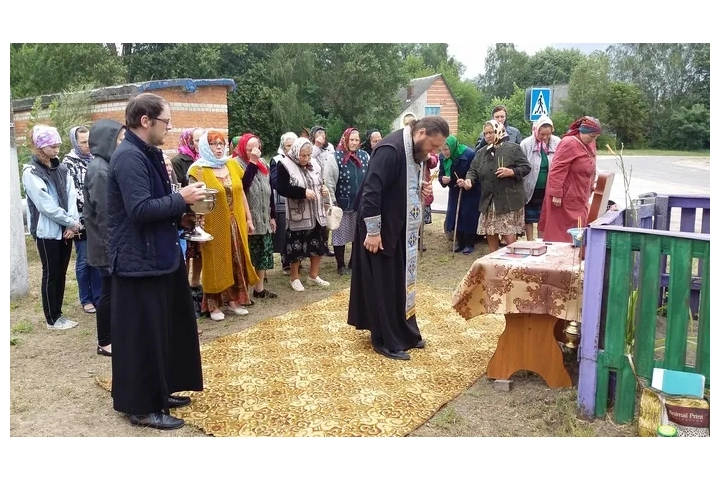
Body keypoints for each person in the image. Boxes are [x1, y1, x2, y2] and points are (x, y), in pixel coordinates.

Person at [107, 92, 206, 430]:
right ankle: (142, 406)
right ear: (145, 121)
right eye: (165, 121)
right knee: (143, 336)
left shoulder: (147, 153)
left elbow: (156, 205)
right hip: (138, 262)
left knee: (163, 330)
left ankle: (159, 392)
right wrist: (181, 199)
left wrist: (182, 217)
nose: (169, 128)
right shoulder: (129, 158)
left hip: (157, 255)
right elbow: (139, 210)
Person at [347, 116, 449, 361]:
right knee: (384, 285)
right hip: (379, 230)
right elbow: (372, 190)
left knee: (399, 283)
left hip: (400, 227)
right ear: (421, 132)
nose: (434, 152)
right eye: (433, 146)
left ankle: (405, 332)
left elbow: (402, 185)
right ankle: (384, 339)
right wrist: (372, 232)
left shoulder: (413, 150)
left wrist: (419, 190)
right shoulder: (390, 149)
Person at [188, 131, 259, 320]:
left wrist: (249, 219)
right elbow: (194, 201)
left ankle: (234, 300)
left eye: (221, 144)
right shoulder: (198, 170)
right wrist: (198, 226)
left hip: (236, 224)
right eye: (214, 144)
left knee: (236, 259)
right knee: (216, 262)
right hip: (213, 224)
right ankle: (213, 304)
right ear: (205, 146)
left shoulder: (232, 164)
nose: (219, 148)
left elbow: (241, 192)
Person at [22, 125, 82, 330]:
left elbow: (72, 195)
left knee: (62, 272)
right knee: (51, 273)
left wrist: (72, 225)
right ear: (40, 147)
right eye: (52, 146)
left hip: (67, 228)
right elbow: (45, 205)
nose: (57, 150)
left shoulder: (62, 168)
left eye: (58, 145)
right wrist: (69, 222)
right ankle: (52, 318)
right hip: (46, 231)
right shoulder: (31, 172)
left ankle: (59, 313)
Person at [84, 119, 126, 356]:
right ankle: (105, 341)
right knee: (108, 293)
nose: (122, 144)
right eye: (119, 139)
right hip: (105, 245)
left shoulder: (106, 164)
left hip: (109, 242)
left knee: (114, 292)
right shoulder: (100, 170)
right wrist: (113, 246)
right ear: (107, 141)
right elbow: (104, 212)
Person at [460, 120, 530, 252]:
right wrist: (469, 180)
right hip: (489, 199)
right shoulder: (481, 152)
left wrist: (512, 172)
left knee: (508, 231)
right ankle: (493, 257)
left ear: (499, 131)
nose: (487, 136)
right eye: (485, 133)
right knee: (490, 230)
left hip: (508, 199)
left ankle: (511, 260)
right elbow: (472, 170)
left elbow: (526, 167)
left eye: (490, 132)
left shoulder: (513, 148)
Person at [276, 137, 332, 292]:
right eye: (303, 155)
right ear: (295, 151)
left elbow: (320, 181)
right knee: (296, 247)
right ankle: (294, 277)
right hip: (298, 214)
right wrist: (302, 192)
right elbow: (281, 188)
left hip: (316, 212)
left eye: (308, 155)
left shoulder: (314, 163)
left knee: (318, 244)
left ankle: (313, 275)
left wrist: (324, 189)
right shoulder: (285, 165)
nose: (306, 158)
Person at [538, 116, 602, 242]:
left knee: (579, 226)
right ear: (582, 131)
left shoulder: (590, 142)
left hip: (580, 194)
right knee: (562, 231)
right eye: (592, 136)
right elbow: (557, 169)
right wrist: (557, 193)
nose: (593, 140)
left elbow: (590, 165)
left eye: (596, 137)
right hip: (564, 197)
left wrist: (591, 185)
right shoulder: (569, 143)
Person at [63, 126, 102, 315]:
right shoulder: (68, 163)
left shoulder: (94, 159)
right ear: (75, 143)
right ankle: (85, 298)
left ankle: (97, 295)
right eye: (83, 142)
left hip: (96, 218)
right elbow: (72, 194)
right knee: (85, 259)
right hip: (80, 220)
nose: (88, 145)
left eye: (89, 141)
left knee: (96, 258)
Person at [233, 132, 278, 299]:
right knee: (248, 256)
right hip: (248, 216)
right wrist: (251, 163)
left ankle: (259, 289)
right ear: (243, 147)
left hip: (264, 216)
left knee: (263, 255)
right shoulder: (236, 164)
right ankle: (243, 290)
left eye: (256, 147)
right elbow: (242, 187)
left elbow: (269, 190)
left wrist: (273, 216)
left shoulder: (263, 162)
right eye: (250, 148)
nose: (254, 151)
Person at [325, 127, 370, 275]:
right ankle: (340, 265)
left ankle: (353, 263)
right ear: (345, 139)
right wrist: (332, 201)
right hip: (342, 204)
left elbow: (369, 178)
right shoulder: (335, 157)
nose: (354, 142)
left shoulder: (365, 156)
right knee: (340, 236)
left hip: (360, 204)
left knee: (357, 235)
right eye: (351, 139)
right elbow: (329, 181)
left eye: (357, 140)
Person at [519, 114, 561, 240]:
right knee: (529, 217)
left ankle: (543, 241)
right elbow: (521, 165)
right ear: (536, 130)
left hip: (548, 188)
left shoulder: (557, 142)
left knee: (545, 217)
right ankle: (530, 241)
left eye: (548, 134)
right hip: (530, 186)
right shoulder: (526, 144)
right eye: (542, 134)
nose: (545, 137)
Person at [438, 135, 480, 254]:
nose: (444, 152)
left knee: (468, 215)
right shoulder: (443, 157)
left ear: (453, 147)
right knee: (455, 214)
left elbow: (475, 172)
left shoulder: (469, 154)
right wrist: (443, 179)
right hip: (455, 191)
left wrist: (467, 181)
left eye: (446, 149)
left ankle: (469, 243)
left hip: (470, 191)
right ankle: (460, 242)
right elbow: (441, 174)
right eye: (442, 150)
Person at [270, 132, 297, 274]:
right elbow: (275, 182)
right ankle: (286, 261)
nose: (291, 148)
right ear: (283, 146)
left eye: (293, 145)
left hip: (299, 201)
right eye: (288, 146)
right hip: (283, 201)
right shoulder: (277, 160)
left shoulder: (302, 159)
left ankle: (297, 259)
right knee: (284, 232)